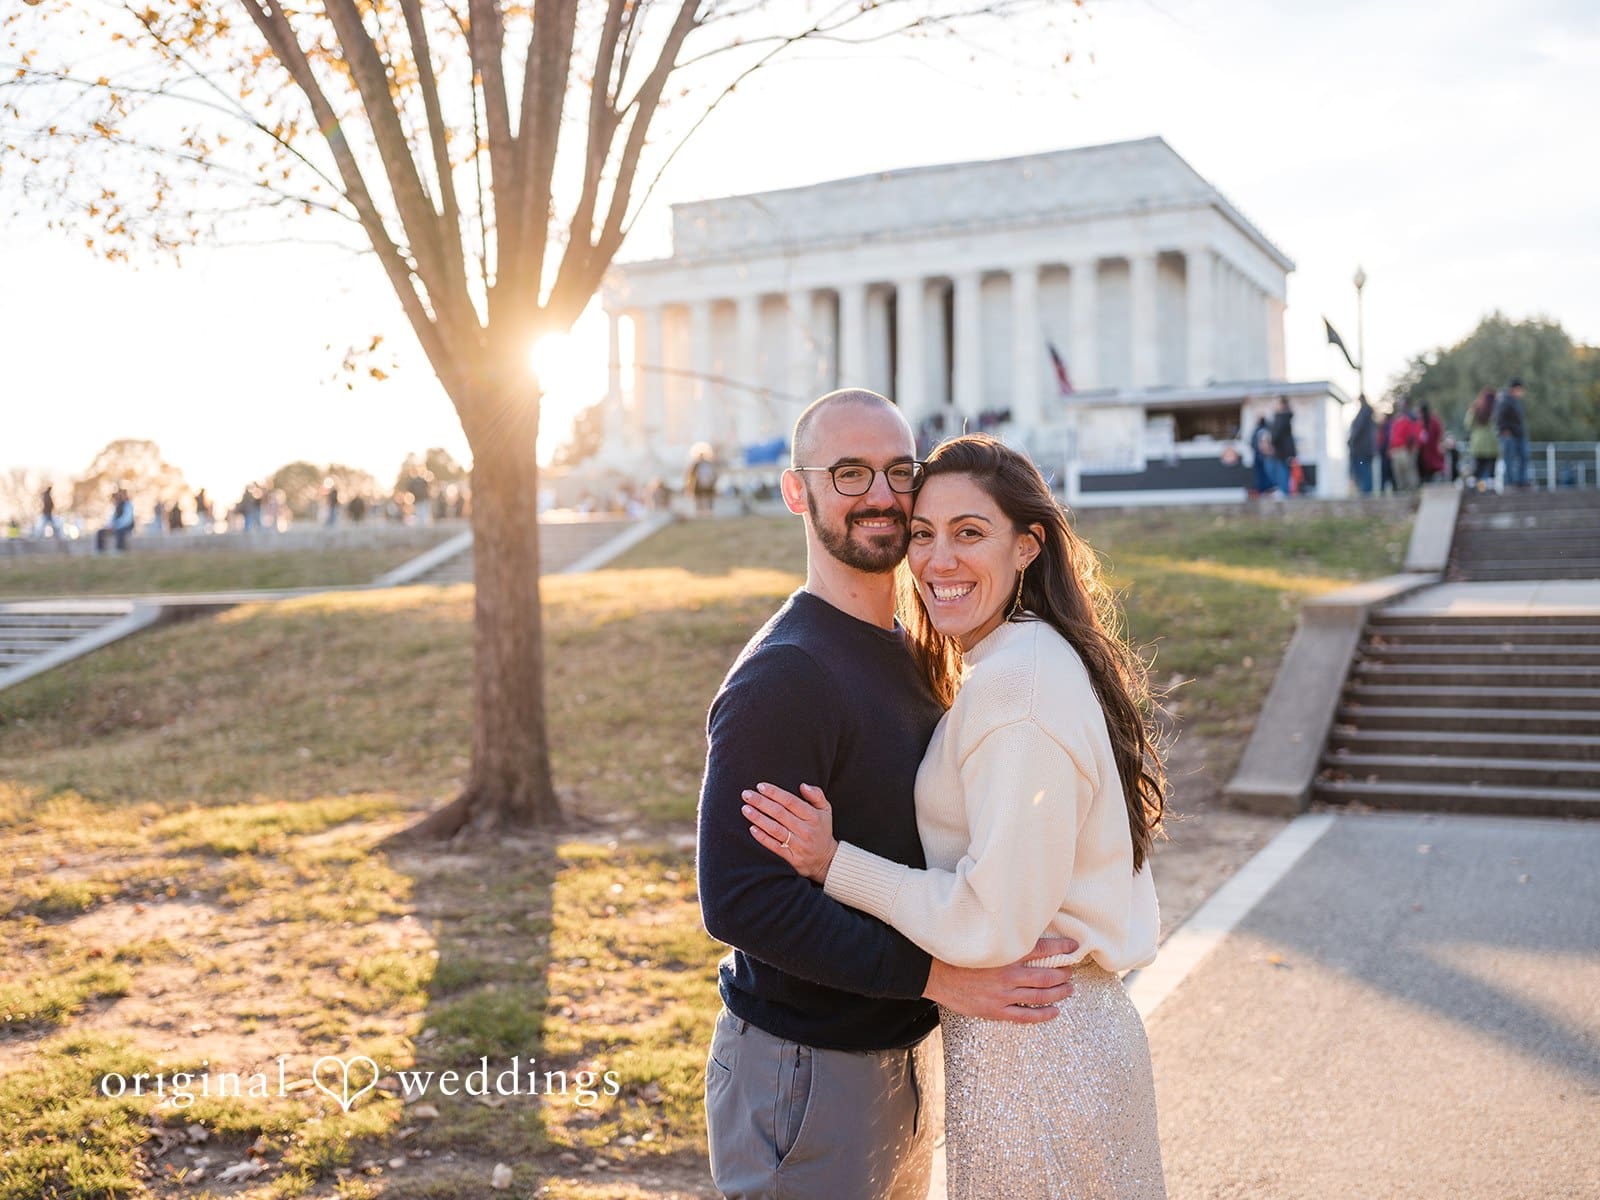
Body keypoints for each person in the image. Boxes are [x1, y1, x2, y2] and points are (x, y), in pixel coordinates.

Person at [743, 432, 1168, 1199]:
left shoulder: (1017, 688)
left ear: (1028, 546)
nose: (938, 561)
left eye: (970, 534)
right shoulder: (1020, 661)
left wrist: (836, 864)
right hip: (1056, 1036)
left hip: (1039, 1053)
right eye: (923, 534)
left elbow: (991, 921)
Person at [696, 391, 1081, 1200]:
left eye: (898, 471)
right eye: (848, 473)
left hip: (902, 1053)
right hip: (806, 1071)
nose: (880, 495)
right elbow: (740, 902)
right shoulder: (785, 676)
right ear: (796, 491)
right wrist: (939, 978)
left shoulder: (914, 648)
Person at [1496, 378, 1530, 488]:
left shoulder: (1516, 401)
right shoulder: (1504, 400)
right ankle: (1509, 482)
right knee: (1509, 459)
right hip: (1509, 435)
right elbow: (1498, 418)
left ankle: (1522, 481)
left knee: (1524, 457)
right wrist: (1504, 431)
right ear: (1514, 389)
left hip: (1519, 434)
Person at [1466, 387, 1499, 490]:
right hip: (1492, 444)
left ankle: (1477, 489)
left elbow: (1468, 424)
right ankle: (1489, 490)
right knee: (1490, 472)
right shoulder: (1496, 409)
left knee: (1476, 471)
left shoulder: (1476, 408)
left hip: (1478, 444)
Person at [1387, 400, 1421, 492]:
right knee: (1398, 472)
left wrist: (1409, 448)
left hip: (1404, 448)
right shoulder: (1394, 422)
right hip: (1395, 449)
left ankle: (1413, 489)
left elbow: (1411, 435)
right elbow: (1391, 437)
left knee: (1408, 470)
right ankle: (1402, 489)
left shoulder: (1407, 420)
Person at [1347, 393, 1376, 495]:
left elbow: (1358, 429)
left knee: (1363, 470)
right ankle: (1366, 491)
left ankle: (1366, 492)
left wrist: (1351, 440)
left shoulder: (1364, 412)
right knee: (1365, 470)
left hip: (1362, 449)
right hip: (1365, 449)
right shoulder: (1367, 413)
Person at [1269, 396, 1297, 497]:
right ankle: (1284, 491)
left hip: (1282, 450)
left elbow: (1277, 434)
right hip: (1284, 450)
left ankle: (1284, 492)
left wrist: (1271, 442)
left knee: (1282, 471)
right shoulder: (1284, 416)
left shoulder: (1282, 417)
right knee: (1283, 470)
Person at [94, 487, 136, 553]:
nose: (119, 497)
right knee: (100, 532)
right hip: (115, 527)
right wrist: (109, 526)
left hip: (126, 527)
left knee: (119, 531)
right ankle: (100, 551)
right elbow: (112, 518)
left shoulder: (128, 505)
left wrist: (116, 526)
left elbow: (126, 520)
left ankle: (119, 550)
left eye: (121, 495)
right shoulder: (117, 506)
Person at [1417, 403, 1446, 483]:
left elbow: (1439, 434)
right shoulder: (1422, 421)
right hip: (1425, 453)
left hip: (1432, 451)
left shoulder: (1432, 421)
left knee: (1434, 471)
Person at [1250, 414, 1277, 496]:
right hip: (1259, 456)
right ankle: (1263, 490)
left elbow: (1264, 444)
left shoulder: (1263, 430)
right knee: (1261, 474)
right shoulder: (1261, 430)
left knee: (1265, 473)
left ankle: (1266, 489)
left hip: (1264, 456)